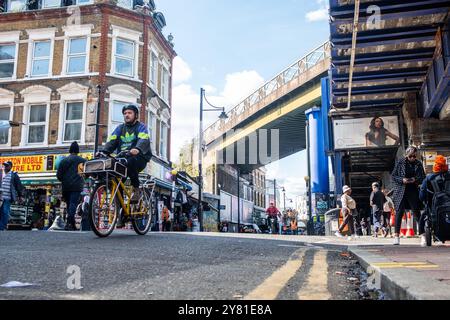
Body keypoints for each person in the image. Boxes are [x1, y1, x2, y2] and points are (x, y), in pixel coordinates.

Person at [102, 104, 152, 203]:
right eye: (125, 113)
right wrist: (104, 152)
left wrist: (137, 148)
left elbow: (143, 139)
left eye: (129, 113)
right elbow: (112, 141)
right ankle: (120, 211)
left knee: (132, 161)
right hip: (123, 157)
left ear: (136, 115)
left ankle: (136, 190)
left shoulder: (141, 127)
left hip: (139, 158)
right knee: (116, 181)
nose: (126, 115)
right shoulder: (120, 128)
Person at [391, 146, 426, 245]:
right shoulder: (400, 162)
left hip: (413, 190)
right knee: (399, 212)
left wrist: (415, 179)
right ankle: (396, 236)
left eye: (414, 156)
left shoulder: (418, 164)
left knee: (416, 212)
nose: (412, 158)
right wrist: (402, 180)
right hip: (401, 190)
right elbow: (393, 176)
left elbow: (422, 176)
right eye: (410, 156)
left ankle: (423, 235)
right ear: (407, 155)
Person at [419, 155, 450, 247]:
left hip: (434, 208)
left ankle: (423, 237)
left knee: (423, 217)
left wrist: (425, 202)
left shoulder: (429, 178)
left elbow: (422, 196)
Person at [57, 141, 87, 231]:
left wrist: (64, 181)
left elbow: (59, 175)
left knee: (69, 204)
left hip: (66, 186)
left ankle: (70, 223)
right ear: (78, 150)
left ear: (70, 150)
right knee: (73, 204)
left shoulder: (64, 161)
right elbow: (86, 173)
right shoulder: (82, 161)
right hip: (77, 186)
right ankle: (70, 223)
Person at [0, 161, 24, 231]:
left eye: (7, 166)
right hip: (0, 197)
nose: (5, 167)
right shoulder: (1, 174)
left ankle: (2, 227)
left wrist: (20, 196)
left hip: (7, 197)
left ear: (11, 167)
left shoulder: (14, 175)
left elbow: (18, 186)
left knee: (5, 212)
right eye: (4, 165)